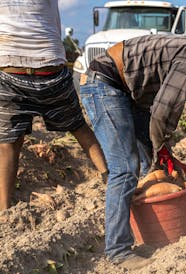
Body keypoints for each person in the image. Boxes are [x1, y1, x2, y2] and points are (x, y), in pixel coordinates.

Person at [79, 34, 186, 269]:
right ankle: (118, 250)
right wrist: (161, 147)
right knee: (125, 168)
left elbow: (162, 111)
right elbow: (163, 112)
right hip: (105, 84)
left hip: (127, 93)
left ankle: (152, 228)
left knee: (152, 162)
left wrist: (165, 154)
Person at [0, 0, 108, 211]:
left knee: (8, 143)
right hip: (51, 69)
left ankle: (3, 211)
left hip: (11, 70)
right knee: (79, 128)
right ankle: (110, 179)